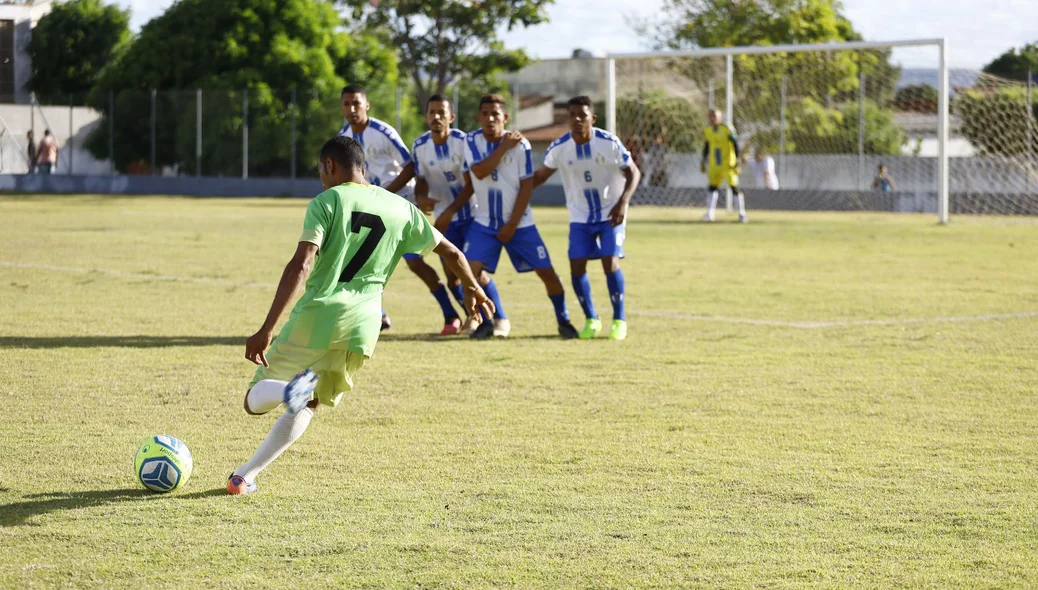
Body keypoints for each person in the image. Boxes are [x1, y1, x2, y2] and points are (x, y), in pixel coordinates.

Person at [228, 136, 493, 495]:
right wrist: (473, 287)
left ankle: (289, 390)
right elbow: (452, 252)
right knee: (311, 402)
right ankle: (245, 477)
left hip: (319, 316)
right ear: (364, 168)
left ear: (329, 166)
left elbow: (303, 263)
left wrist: (267, 328)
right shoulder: (401, 208)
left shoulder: (328, 200)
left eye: (321, 171)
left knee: (255, 398)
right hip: (364, 327)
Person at [437, 93, 578, 340]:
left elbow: (526, 186)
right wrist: (503, 147)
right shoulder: (471, 141)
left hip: (521, 223)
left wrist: (512, 224)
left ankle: (563, 320)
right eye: (485, 114)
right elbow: (479, 172)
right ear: (478, 117)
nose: (490, 118)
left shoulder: (522, 145)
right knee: (470, 272)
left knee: (548, 273)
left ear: (505, 117)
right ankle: (487, 322)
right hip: (484, 222)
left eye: (495, 114)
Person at [339, 84, 462, 334]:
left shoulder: (382, 131)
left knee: (425, 260)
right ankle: (379, 315)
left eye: (356, 103)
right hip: (372, 209)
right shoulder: (343, 136)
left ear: (366, 105)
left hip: (400, 203)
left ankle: (457, 313)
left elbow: (409, 165)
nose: (352, 109)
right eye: (347, 104)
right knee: (364, 259)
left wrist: (385, 193)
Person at [532, 96, 641, 341]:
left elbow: (633, 172)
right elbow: (539, 177)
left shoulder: (608, 142)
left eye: (583, 115)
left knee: (609, 262)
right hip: (580, 216)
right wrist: (515, 189)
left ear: (593, 118)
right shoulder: (560, 147)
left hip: (611, 212)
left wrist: (623, 202)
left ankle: (619, 320)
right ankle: (592, 319)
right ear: (567, 119)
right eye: (573, 115)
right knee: (576, 265)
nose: (578, 120)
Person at [413, 94, 481, 334]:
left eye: (442, 112)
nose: (436, 117)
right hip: (444, 220)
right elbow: (420, 182)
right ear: (426, 116)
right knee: (452, 276)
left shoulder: (462, 142)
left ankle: (493, 318)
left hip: (472, 216)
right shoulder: (420, 146)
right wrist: (420, 198)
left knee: (473, 270)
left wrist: (451, 210)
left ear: (451, 117)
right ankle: (471, 316)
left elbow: (471, 183)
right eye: (432, 112)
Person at [700, 110, 747, 223]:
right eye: (711, 116)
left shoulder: (727, 129)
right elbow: (706, 146)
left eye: (715, 116)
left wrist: (738, 159)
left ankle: (742, 214)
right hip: (714, 164)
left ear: (720, 118)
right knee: (712, 188)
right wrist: (703, 160)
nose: (713, 119)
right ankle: (710, 214)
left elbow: (735, 143)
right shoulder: (708, 130)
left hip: (728, 164)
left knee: (734, 187)